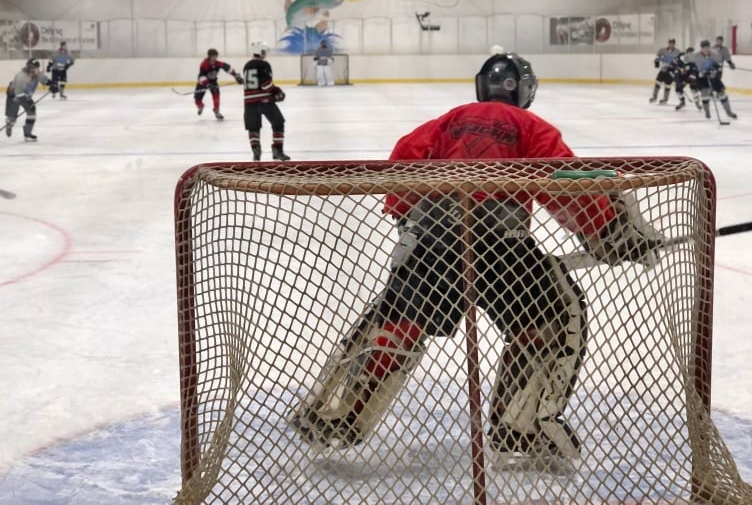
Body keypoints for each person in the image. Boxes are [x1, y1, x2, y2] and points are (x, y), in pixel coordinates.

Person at [289, 53, 663, 461]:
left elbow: (404, 162)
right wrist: (608, 233)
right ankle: (520, 430)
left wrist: (408, 219)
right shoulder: (530, 126)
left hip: (433, 241)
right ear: (524, 89)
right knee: (550, 320)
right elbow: (562, 183)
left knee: (398, 321)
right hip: (502, 248)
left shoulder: (449, 119)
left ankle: (335, 413)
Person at [241, 41, 289, 161]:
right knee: (278, 122)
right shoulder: (263, 64)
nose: (265, 54)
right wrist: (277, 91)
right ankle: (277, 151)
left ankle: (256, 151)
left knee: (253, 127)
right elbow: (266, 85)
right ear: (261, 52)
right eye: (264, 52)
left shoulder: (246, 65)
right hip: (263, 101)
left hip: (248, 102)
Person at [5, 58, 50, 142]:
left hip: (25, 96)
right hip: (14, 95)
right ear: (31, 68)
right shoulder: (21, 77)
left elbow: (45, 81)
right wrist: (28, 103)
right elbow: (18, 94)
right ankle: (9, 124)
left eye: (37, 67)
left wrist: (52, 84)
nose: (38, 69)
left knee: (32, 113)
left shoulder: (37, 74)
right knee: (12, 116)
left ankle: (27, 132)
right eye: (36, 68)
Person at [691, 40, 737, 120]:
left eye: (707, 47)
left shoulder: (715, 54)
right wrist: (700, 74)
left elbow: (718, 66)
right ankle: (707, 112)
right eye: (704, 48)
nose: (706, 49)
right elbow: (693, 68)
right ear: (701, 48)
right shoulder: (696, 57)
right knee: (705, 94)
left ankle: (728, 111)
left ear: (709, 47)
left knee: (722, 93)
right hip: (702, 78)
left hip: (713, 76)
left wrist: (713, 70)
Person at [194, 48, 243, 120]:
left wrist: (236, 76)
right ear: (209, 56)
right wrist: (207, 84)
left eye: (215, 56)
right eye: (212, 56)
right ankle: (200, 106)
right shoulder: (204, 64)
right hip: (202, 83)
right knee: (197, 98)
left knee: (216, 96)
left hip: (213, 82)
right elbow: (201, 76)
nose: (214, 58)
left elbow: (228, 68)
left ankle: (216, 111)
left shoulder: (217, 63)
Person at [649, 38, 682, 104]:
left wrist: (677, 68)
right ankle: (654, 97)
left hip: (671, 71)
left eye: (672, 43)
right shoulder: (662, 50)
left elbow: (680, 61)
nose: (671, 45)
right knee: (657, 83)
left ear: (674, 44)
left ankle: (665, 99)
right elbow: (657, 57)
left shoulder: (678, 52)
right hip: (663, 70)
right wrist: (657, 60)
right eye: (670, 43)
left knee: (667, 85)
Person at [673, 46, 702, 111]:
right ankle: (682, 102)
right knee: (678, 89)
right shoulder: (680, 58)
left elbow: (693, 76)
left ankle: (697, 103)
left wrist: (684, 82)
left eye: (692, 54)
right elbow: (673, 65)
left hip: (690, 77)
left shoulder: (693, 64)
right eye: (689, 53)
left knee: (693, 87)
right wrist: (677, 80)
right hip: (683, 77)